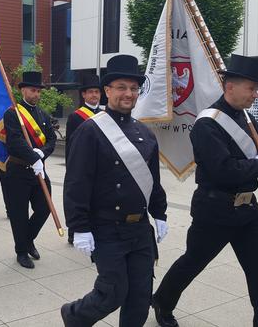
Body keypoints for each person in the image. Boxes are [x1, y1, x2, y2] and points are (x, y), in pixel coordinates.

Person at [152, 54, 258, 327]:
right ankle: (162, 299)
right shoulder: (206, 124)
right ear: (230, 86)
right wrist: (257, 165)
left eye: (257, 88)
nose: (256, 94)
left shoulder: (248, 120)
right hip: (215, 210)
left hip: (248, 210)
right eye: (252, 88)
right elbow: (224, 170)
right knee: (193, 263)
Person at [60, 55, 168, 326]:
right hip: (107, 228)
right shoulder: (90, 131)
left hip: (140, 230)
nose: (128, 94)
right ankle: (73, 316)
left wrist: (160, 213)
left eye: (133, 88)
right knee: (112, 293)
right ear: (107, 90)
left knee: (140, 297)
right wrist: (79, 227)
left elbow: (152, 180)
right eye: (121, 87)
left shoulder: (145, 132)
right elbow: (76, 182)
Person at [2, 71, 56, 269]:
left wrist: (41, 155)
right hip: (18, 170)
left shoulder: (42, 114)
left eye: (38, 91)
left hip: (38, 169)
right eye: (33, 90)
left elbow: (52, 139)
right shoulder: (12, 113)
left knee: (44, 207)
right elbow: (14, 141)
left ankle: (28, 239)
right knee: (19, 213)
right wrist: (32, 156)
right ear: (23, 90)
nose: (36, 94)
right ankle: (21, 251)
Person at [64, 73, 102, 244]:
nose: (94, 95)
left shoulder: (105, 114)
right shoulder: (75, 117)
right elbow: (71, 146)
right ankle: (74, 231)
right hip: (82, 164)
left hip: (100, 165)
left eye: (97, 91)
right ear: (84, 95)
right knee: (81, 198)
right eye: (91, 92)